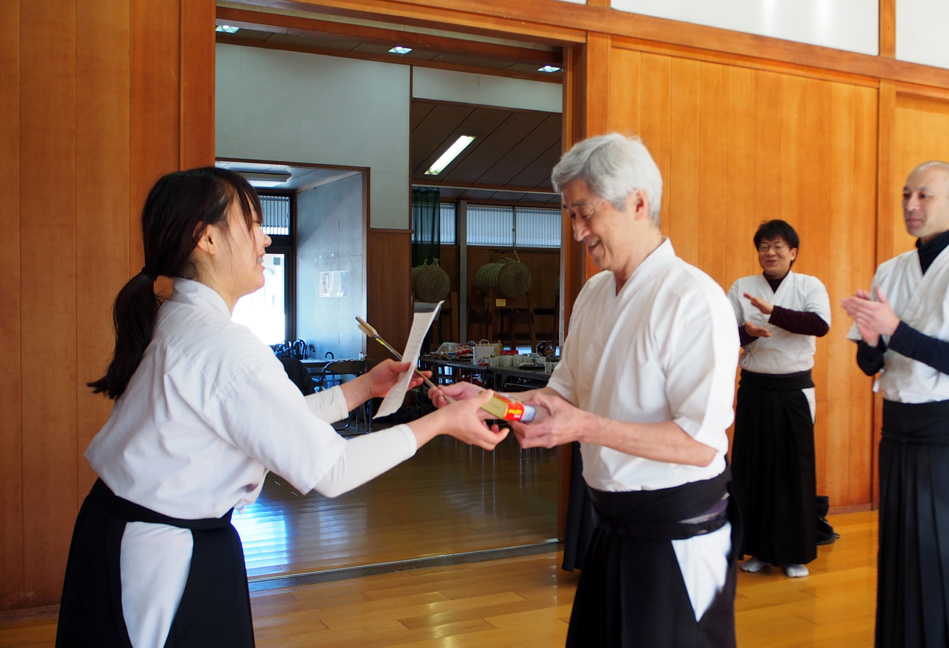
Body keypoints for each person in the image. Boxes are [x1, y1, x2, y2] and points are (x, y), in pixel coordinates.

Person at [55, 167, 506, 648]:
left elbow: (267, 421)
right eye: (252, 224)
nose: (265, 239)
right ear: (207, 238)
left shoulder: (180, 319)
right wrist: (440, 422)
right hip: (162, 554)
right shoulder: (223, 345)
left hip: (122, 531)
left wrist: (361, 389)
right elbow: (333, 469)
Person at [433, 133, 741, 647]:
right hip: (610, 526)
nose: (577, 232)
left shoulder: (695, 300)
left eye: (585, 213)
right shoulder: (595, 292)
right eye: (570, 215)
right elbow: (562, 399)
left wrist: (587, 428)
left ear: (638, 203)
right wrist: (489, 401)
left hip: (677, 535)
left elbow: (700, 444)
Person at [841, 160, 949, 648]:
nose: (911, 205)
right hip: (897, 431)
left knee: (948, 554)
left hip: (947, 433)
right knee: (901, 551)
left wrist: (895, 329)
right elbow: (871, 365)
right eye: (906, 194)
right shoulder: (891, 269)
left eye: (924, 195)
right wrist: (871, 340)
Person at [726, 219, 830, 578]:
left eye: (778, 246)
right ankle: (756, 549)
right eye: (764, 247)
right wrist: (749, 334)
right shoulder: (742, 287)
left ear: (793, 252)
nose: (770, 253)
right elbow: (724, 334)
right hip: (755, 388)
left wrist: (773, 313)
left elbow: (820, 325)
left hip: (793, 390)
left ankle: (793, 553)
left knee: (792, 472)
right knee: (751, 469)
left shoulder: (809, 285)